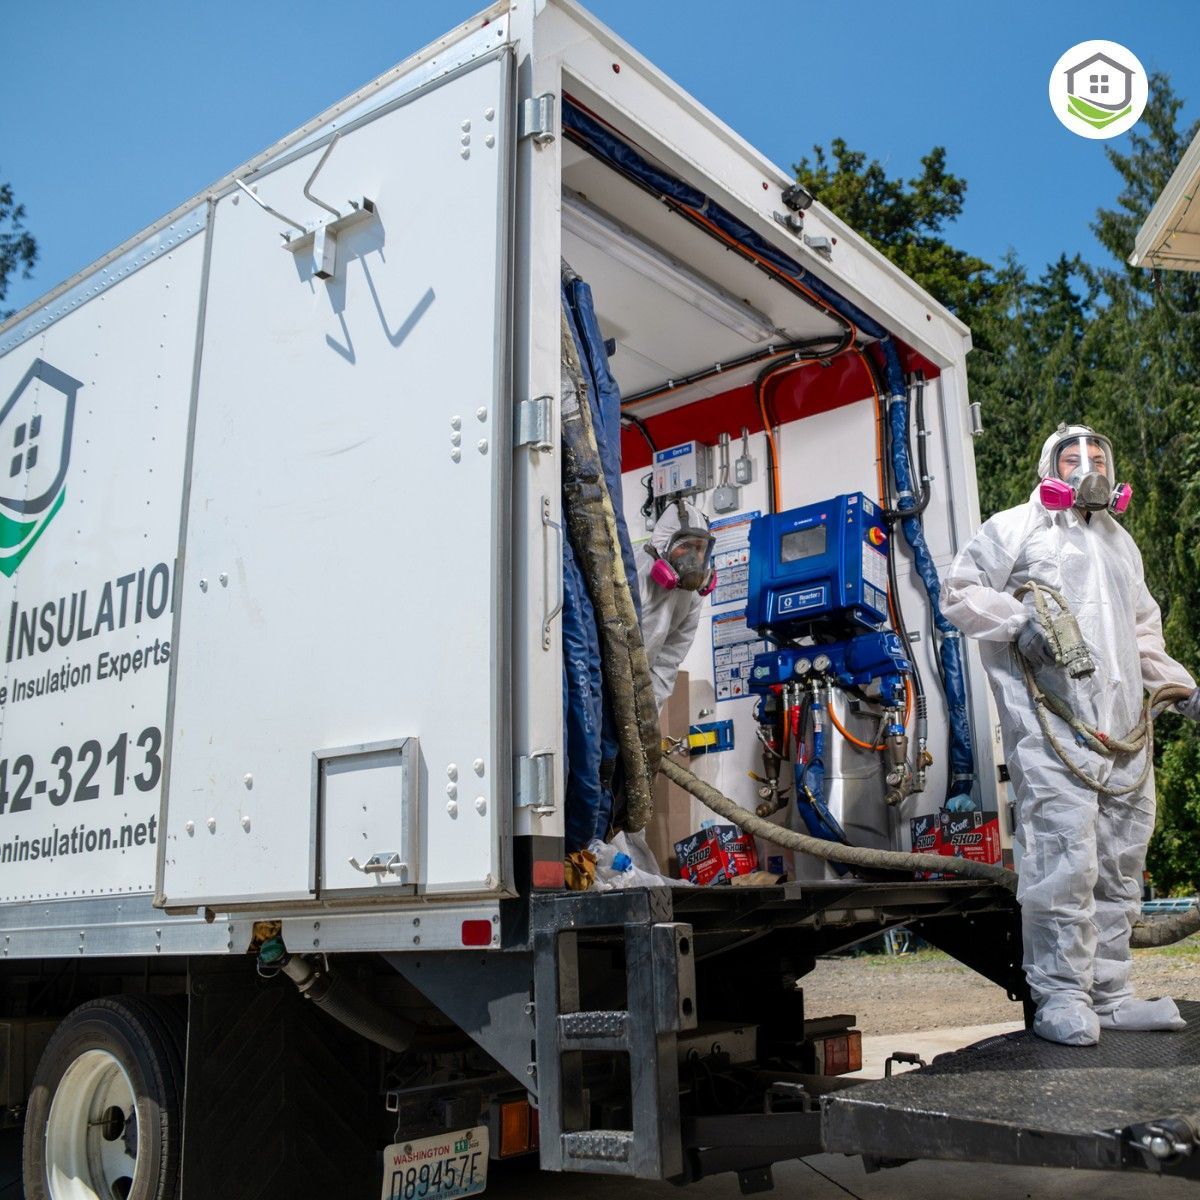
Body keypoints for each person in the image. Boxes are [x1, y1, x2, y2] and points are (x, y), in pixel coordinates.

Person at [941, 423, 1200, 1046]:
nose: (1087, 464)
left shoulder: (1121, 545)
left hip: (1122, 736)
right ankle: (1060, 994)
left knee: (1119, 863)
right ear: (1047, 466)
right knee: (1064, 862)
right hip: (1052, 731)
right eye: (1072, 455)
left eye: (1098, 455)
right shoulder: (1017, 526)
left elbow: (1143, 635)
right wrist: (1018, 619)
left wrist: (1184, 690)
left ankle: (1111, 994)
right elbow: (960, 591)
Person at [637, 498, 716, 712]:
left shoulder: (692, 596)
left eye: (699, 548)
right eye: (685, 546)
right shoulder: (634, 576)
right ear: (663, 544)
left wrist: (647, 718)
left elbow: (668, 660)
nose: (693, 557)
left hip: (637, 685)